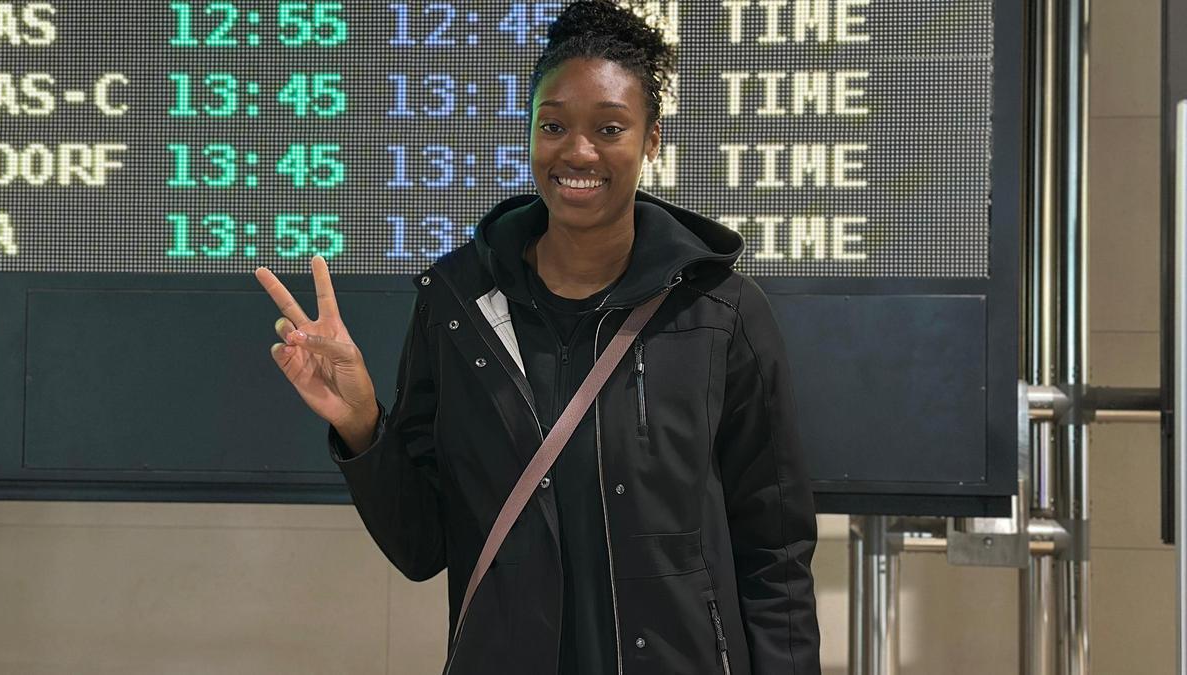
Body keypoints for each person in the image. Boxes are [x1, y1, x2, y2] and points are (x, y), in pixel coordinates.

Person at [254, 2, 820, 673]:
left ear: (651, 139)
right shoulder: (458, 306)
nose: (578, 151)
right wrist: (361, 426)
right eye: (553, 125)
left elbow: (774, 550)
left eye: (609, 127)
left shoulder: (720, 311)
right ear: (529, 132)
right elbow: (422, 545)